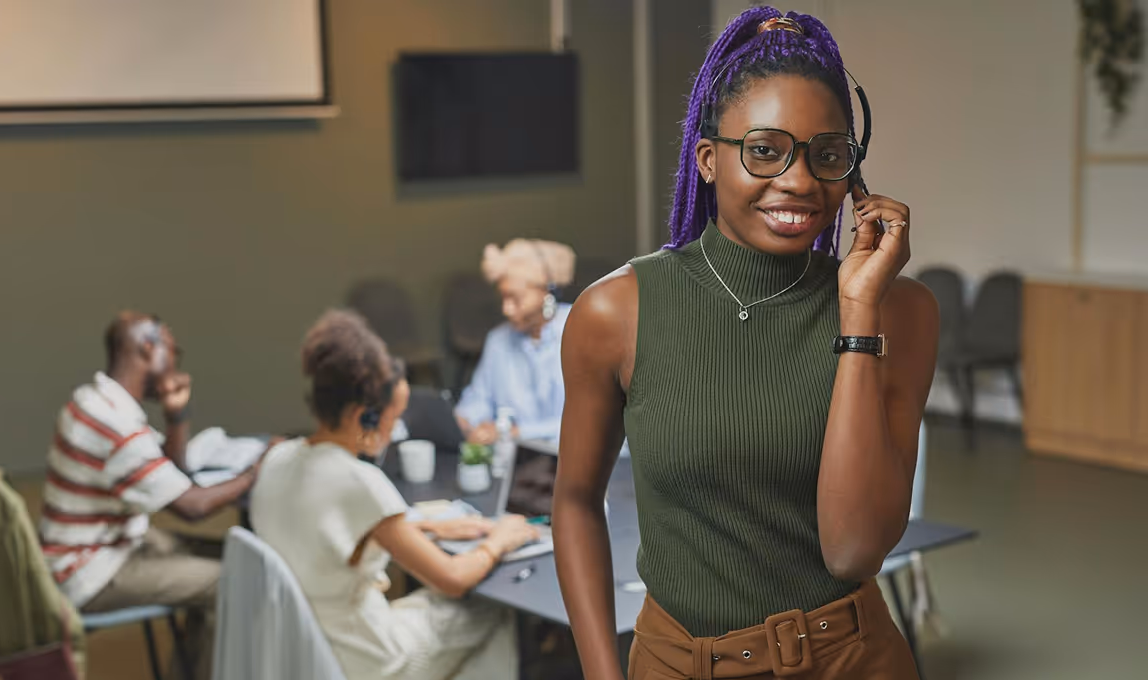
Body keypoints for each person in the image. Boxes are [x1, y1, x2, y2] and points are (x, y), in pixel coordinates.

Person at [553, 8, 938, 680]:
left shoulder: (898, 311)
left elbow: (852, 550)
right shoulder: (614, 313)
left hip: (852, 659)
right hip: (679, 663)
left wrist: (856, 313)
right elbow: (575, 502)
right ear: (708, 159)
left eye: (826, 154)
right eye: (764, 149)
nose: (798, 180)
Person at [251, 309, 540, 680]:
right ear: (364, 416)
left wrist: (429, 529)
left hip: (306, 648)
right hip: (370, 660)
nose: (397, 427)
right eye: (394, 417)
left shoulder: (278, 458)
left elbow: (325, 533)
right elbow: (451, 579)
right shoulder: (359, 482)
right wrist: (499, 540)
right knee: (491, 610)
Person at [39, 311, 263, 679]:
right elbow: (193, 506)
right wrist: (257, 471)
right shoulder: (117, 427)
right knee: (234, 578)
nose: (176, 362)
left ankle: (193, 669)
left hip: (101, 546)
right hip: (89, 570)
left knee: (241, 557)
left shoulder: (92, 400)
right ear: (149, 348)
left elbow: (171, 469)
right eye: (174, 351)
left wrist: (177, 416)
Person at [455, 239, 576, 445]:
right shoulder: (498, 340)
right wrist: (467, 421)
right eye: (503, 297)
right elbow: (477, 401)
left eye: (516, 298)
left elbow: (589, 423)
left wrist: (517, 432)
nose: (506, 309)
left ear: (547, 292)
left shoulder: (580, 330)